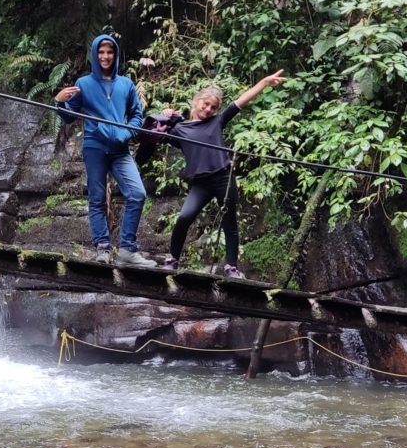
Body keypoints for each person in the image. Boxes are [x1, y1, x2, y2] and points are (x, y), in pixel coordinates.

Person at [157, 71, 286, 276]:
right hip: (200, 183)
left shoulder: (217, 121)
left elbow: (241, 101)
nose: (208, 109)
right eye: (205, 104)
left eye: (213, 107)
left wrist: (264, 82)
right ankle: (172, 259)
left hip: (223, 178)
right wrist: (165, 116)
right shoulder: (180, 129)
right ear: (196, 101)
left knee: (229, 221)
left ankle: (231, 267)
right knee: (184, 217)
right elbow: (153, 132)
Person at [54, 35, 156, 267]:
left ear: (115, 54)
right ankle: (102, 247)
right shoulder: (83, 84)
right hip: (95, 147)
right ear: (95, 54)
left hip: (120, 149)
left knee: (137, 193)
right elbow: (69, 116)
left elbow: (137, 115)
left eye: (109, 52)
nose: (105, 56)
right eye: (101, 52)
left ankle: (128, 250)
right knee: (97, 199)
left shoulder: (126, 85)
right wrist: (59, 102)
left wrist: (126, 133)